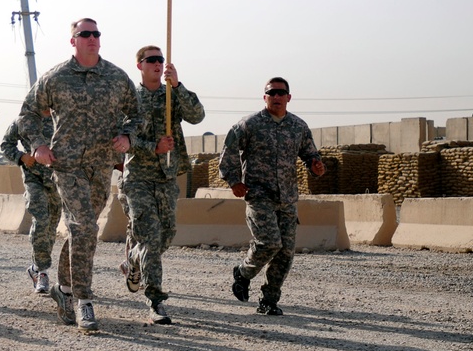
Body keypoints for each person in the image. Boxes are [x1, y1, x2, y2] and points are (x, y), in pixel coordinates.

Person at [18, 18, 140, 331]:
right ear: (73, 40)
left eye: (96, 33)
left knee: (81, 231)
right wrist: (38, 145)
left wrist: (128, 137)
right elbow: (28, 114)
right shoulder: (55, 78)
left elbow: (138, 115)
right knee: (83, 225)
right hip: (67, 164)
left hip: (101, 165)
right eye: (84, 34)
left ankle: (64, 289)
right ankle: (84, 300)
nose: (92, 38)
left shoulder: (116, 77)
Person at [220, 76, 326, 316]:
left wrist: (316, 166)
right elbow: (229, 151)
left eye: (281, 93)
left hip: (287, 198)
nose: (276, 97)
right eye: (272, 93)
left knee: (286, 252)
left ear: (289, 97)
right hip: (259, 195)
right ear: (264, 97)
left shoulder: (298, 126)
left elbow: (310, 154)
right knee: (269, 243)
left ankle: (269, 300)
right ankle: (244, 272)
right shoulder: (249, 124)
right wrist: (234, 180)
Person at [118, 46, 204, 325]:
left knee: (166, 234)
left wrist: (177, 85)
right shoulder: (130, 99)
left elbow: (197, 115)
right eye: (151, 60)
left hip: (167, 176)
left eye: (160, 60)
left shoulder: (172, 94)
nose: (157, 64)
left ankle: (133, 258)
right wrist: (151, 147)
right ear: (139, 65)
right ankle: (155, 300)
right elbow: (121, 138)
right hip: (138, 178)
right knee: (152, 238)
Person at [0, 113, 60, 295]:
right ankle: (42, 271)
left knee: (51, 226)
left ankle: (35, 267)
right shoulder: (25, 119)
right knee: (41, 220)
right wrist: (21, 157)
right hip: (34, 178)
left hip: (58, 179)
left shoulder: (63, 116)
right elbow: (6, 144)